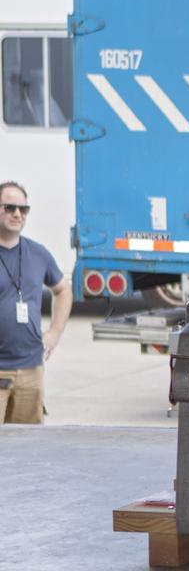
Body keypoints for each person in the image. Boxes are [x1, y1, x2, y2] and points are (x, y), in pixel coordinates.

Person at [0, 181, 72, 424]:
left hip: (31, 369)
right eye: (9, 207)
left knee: (27, 450)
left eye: (23, 209)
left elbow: (63, 290)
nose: (17, 214)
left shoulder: (38, 253)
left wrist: (54, 332)